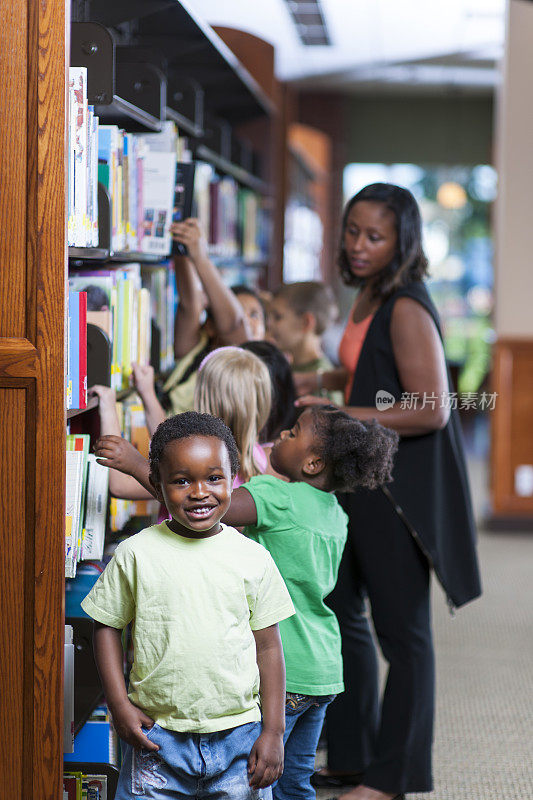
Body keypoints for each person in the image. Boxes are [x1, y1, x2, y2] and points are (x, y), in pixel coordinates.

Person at [294, 183, 482, 800]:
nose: (359, 245)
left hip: (397, 493)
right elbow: (370, 371)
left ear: (402, 241)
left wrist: (337, 411)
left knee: (404, 636)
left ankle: (393, 777)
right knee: (341, 613)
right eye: (352, 231)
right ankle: (352, 754)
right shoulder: (368, 297)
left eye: (375, 236)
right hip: (358, 482)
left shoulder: (405, 304)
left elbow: (431, 408)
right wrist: (318, 378)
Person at [81, 411, 295, 800]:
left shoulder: (253, 557)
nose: (200, 492)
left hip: (239, 737)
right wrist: (118, 705)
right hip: (156, 738)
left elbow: (269, 646)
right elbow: (106, 627)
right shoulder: (136, 553)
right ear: (158, 486)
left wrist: (274, 731)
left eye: (214, 478)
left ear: (233, 479)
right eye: (181, 481)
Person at [224, 405, 398, 800]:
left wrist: (142, 467)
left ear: (313, 461)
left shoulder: (277, 496)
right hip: (321, 668)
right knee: (294, 781)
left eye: (293, 432)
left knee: (248, 779)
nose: (282, 434)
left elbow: (205, 506)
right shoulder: (336, 514)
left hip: (279, 670)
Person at [91, 346, 273, 500]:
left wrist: (108, 406)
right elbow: (169, 443)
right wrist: (147, 394)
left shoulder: (197, 465)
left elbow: (121, 486)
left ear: (203, 397)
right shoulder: (257, 458)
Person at [267, 281, 343, 405]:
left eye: (277, 317)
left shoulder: (323, 385)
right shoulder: (289, 365)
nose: (269, 324)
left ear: (306, 322)